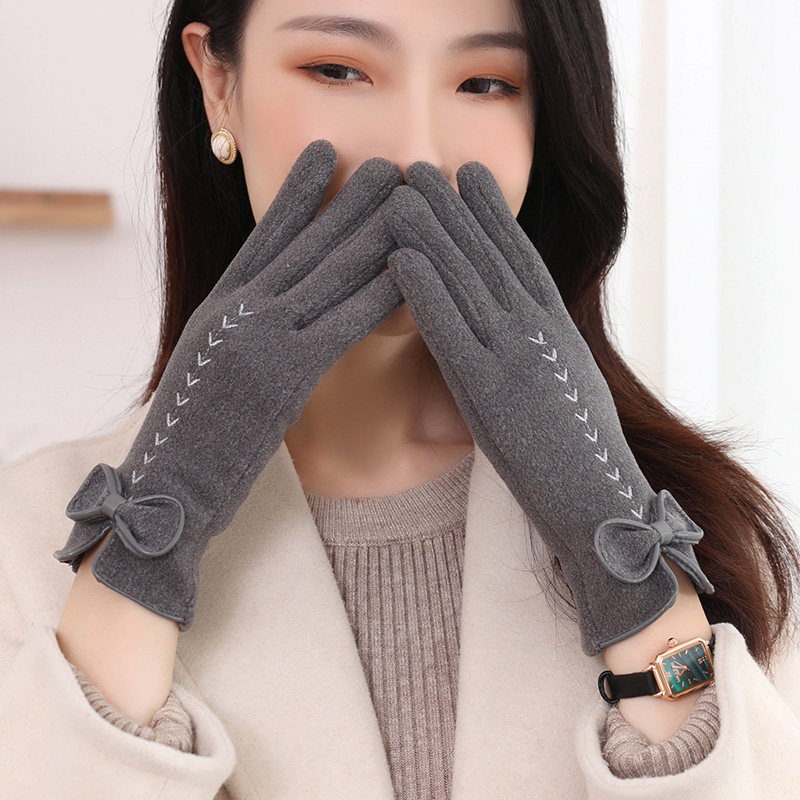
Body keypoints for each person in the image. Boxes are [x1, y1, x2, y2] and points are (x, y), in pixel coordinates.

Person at [2, 0, 800, 797]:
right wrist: (148, 544)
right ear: (218, 85)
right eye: (337, 70)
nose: (418, 155)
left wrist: (621, 555)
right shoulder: (21, 545)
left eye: (486, 83)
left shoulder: (726, 539)